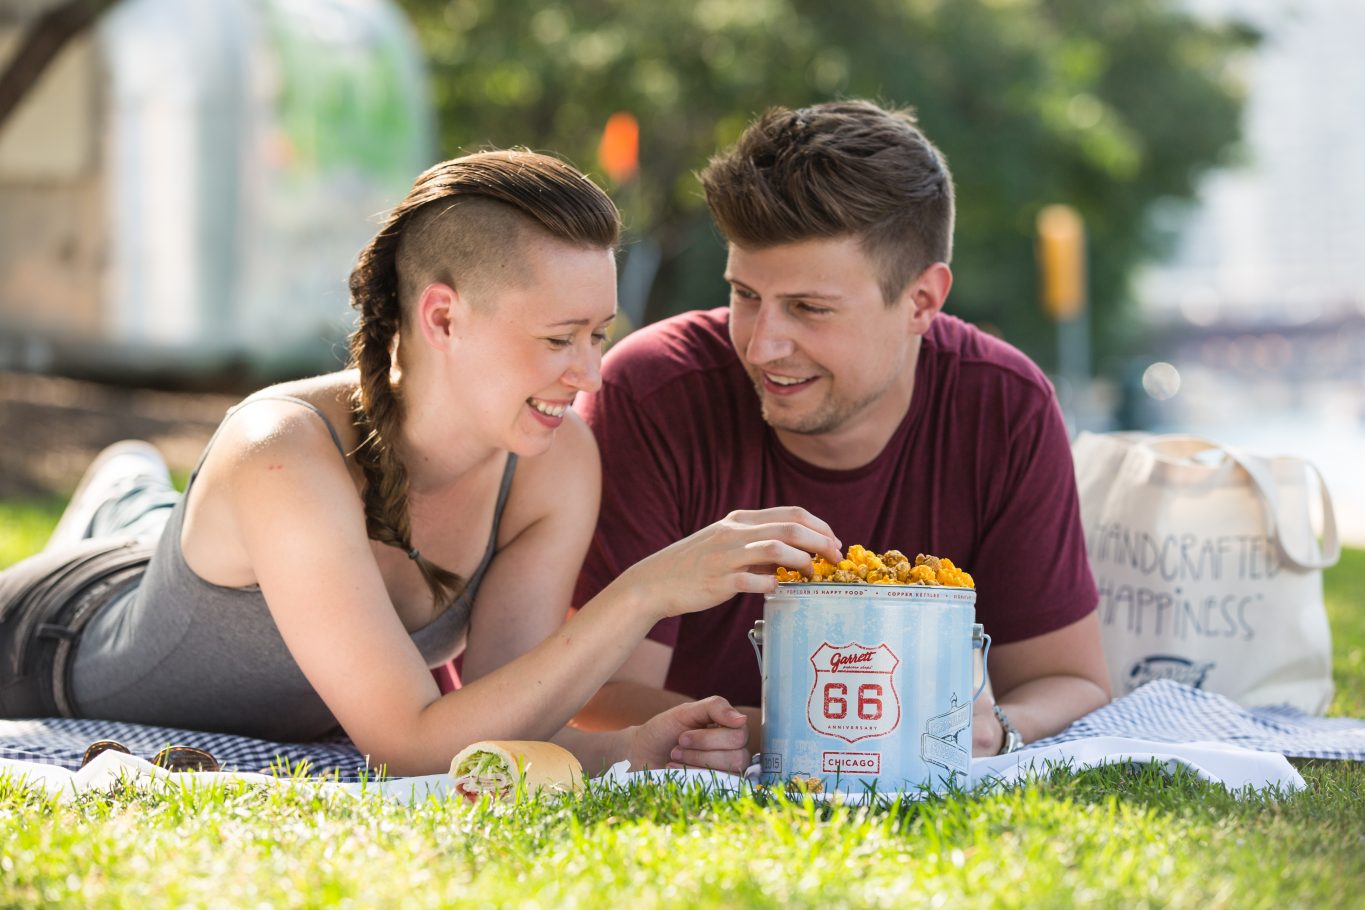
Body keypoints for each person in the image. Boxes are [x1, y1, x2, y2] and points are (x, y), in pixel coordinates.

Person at [0, 149, 843, 777]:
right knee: (149, 528)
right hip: (56, 635)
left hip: (192, 570)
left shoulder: (551, 459)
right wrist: (645, 591)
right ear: (441, 315)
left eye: (598, 337)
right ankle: (128, 492)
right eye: (558, 339)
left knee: (163, 529)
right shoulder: (283, 450)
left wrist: (632, 747)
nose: (588, 376)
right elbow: (409, 745)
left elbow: (501, 723)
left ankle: (139, 502)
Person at [571, 101, 1113, 756]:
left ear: (921, 301)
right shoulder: (650, 391)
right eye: (744, 295)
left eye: (809, 309)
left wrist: (999, 726)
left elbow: (1066, 678)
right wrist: (843, 737)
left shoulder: (1004, 404)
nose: (763, 345)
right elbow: (597, 699)